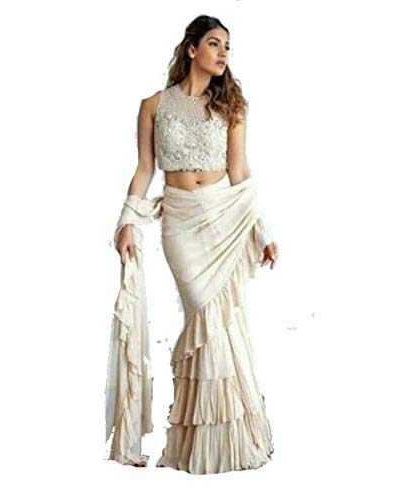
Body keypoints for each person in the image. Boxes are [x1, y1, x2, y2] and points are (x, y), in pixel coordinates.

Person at [105, 15, 279, 475]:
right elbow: (145, 169)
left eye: (227, 47)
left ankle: (226, 440)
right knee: (203, 312)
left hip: (223, 216)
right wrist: (128, 221)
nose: (223, 53)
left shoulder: (232, 105)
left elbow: (240, 173)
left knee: (221, 322)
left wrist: (262, 231)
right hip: (180, 222)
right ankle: (200, 442)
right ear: (191, 49)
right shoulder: (153, 105)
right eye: (214, 44)